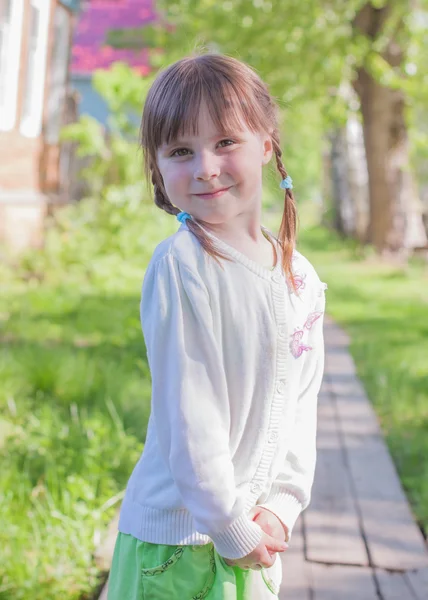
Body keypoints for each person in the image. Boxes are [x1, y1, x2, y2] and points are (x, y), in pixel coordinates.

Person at [107, 52, 327, 600]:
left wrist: (282, 504)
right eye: (181, 151)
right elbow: (191, 416)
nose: (205, 166)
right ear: (158, 167)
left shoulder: (300, 277)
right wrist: (228, 524)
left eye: (225, 142)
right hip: (179, 545)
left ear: (267, 143)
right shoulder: (183, 269)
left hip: (253, 535)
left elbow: (303, 405)